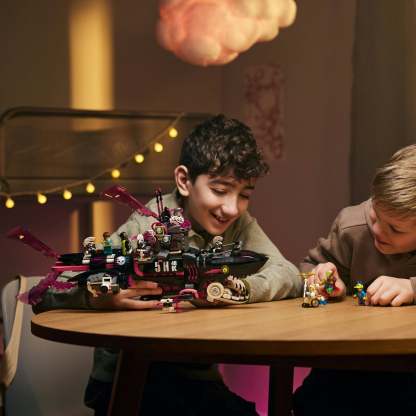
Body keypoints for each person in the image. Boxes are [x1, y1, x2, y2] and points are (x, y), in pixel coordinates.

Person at [33, 114, 302, 416]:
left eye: (244, 195)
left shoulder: (238, 224)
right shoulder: (148, 226)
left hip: (196, 383)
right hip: (127, 381)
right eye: (220, 190)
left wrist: (238, 289)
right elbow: (44, 292)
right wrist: (98, 297)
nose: (231, 208)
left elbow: (288, 273)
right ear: (184, 181)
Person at [293, 144, 416, 416]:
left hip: (409, 364)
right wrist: (323, 279)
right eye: (375, 213)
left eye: (395, 229)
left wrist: (412, 286)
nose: (378, 230)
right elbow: (308, 268)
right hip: (348, 360)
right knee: (311, 402)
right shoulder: (353, 226)